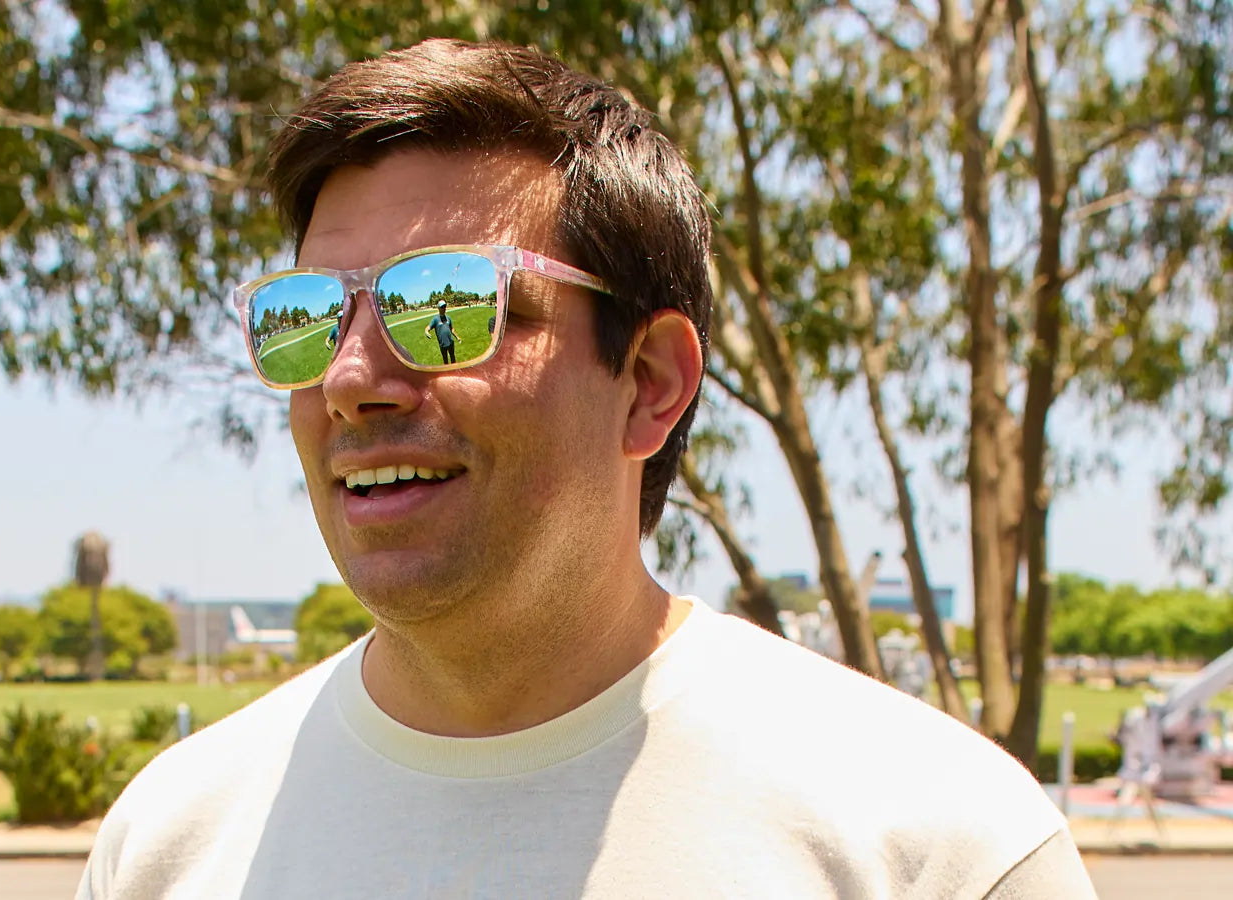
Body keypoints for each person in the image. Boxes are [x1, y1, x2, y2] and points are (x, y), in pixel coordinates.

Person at [78, 39, 1096, 899]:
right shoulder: (168, 845)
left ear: (649, 380)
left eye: (444, 307)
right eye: (306, 318)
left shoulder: (937, 846)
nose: (350, 378)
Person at [423, 299, 461, 364]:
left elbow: (452, 329)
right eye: (442, 307)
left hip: (451, 343)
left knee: (453, 358)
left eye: (445, 306)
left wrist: (457, 337)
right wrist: (426, 331)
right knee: (445, 361)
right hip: (443, 344)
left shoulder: (448, 318)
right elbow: (428, 327)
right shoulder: (435, 319)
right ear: (438, 308)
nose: (444, 308)